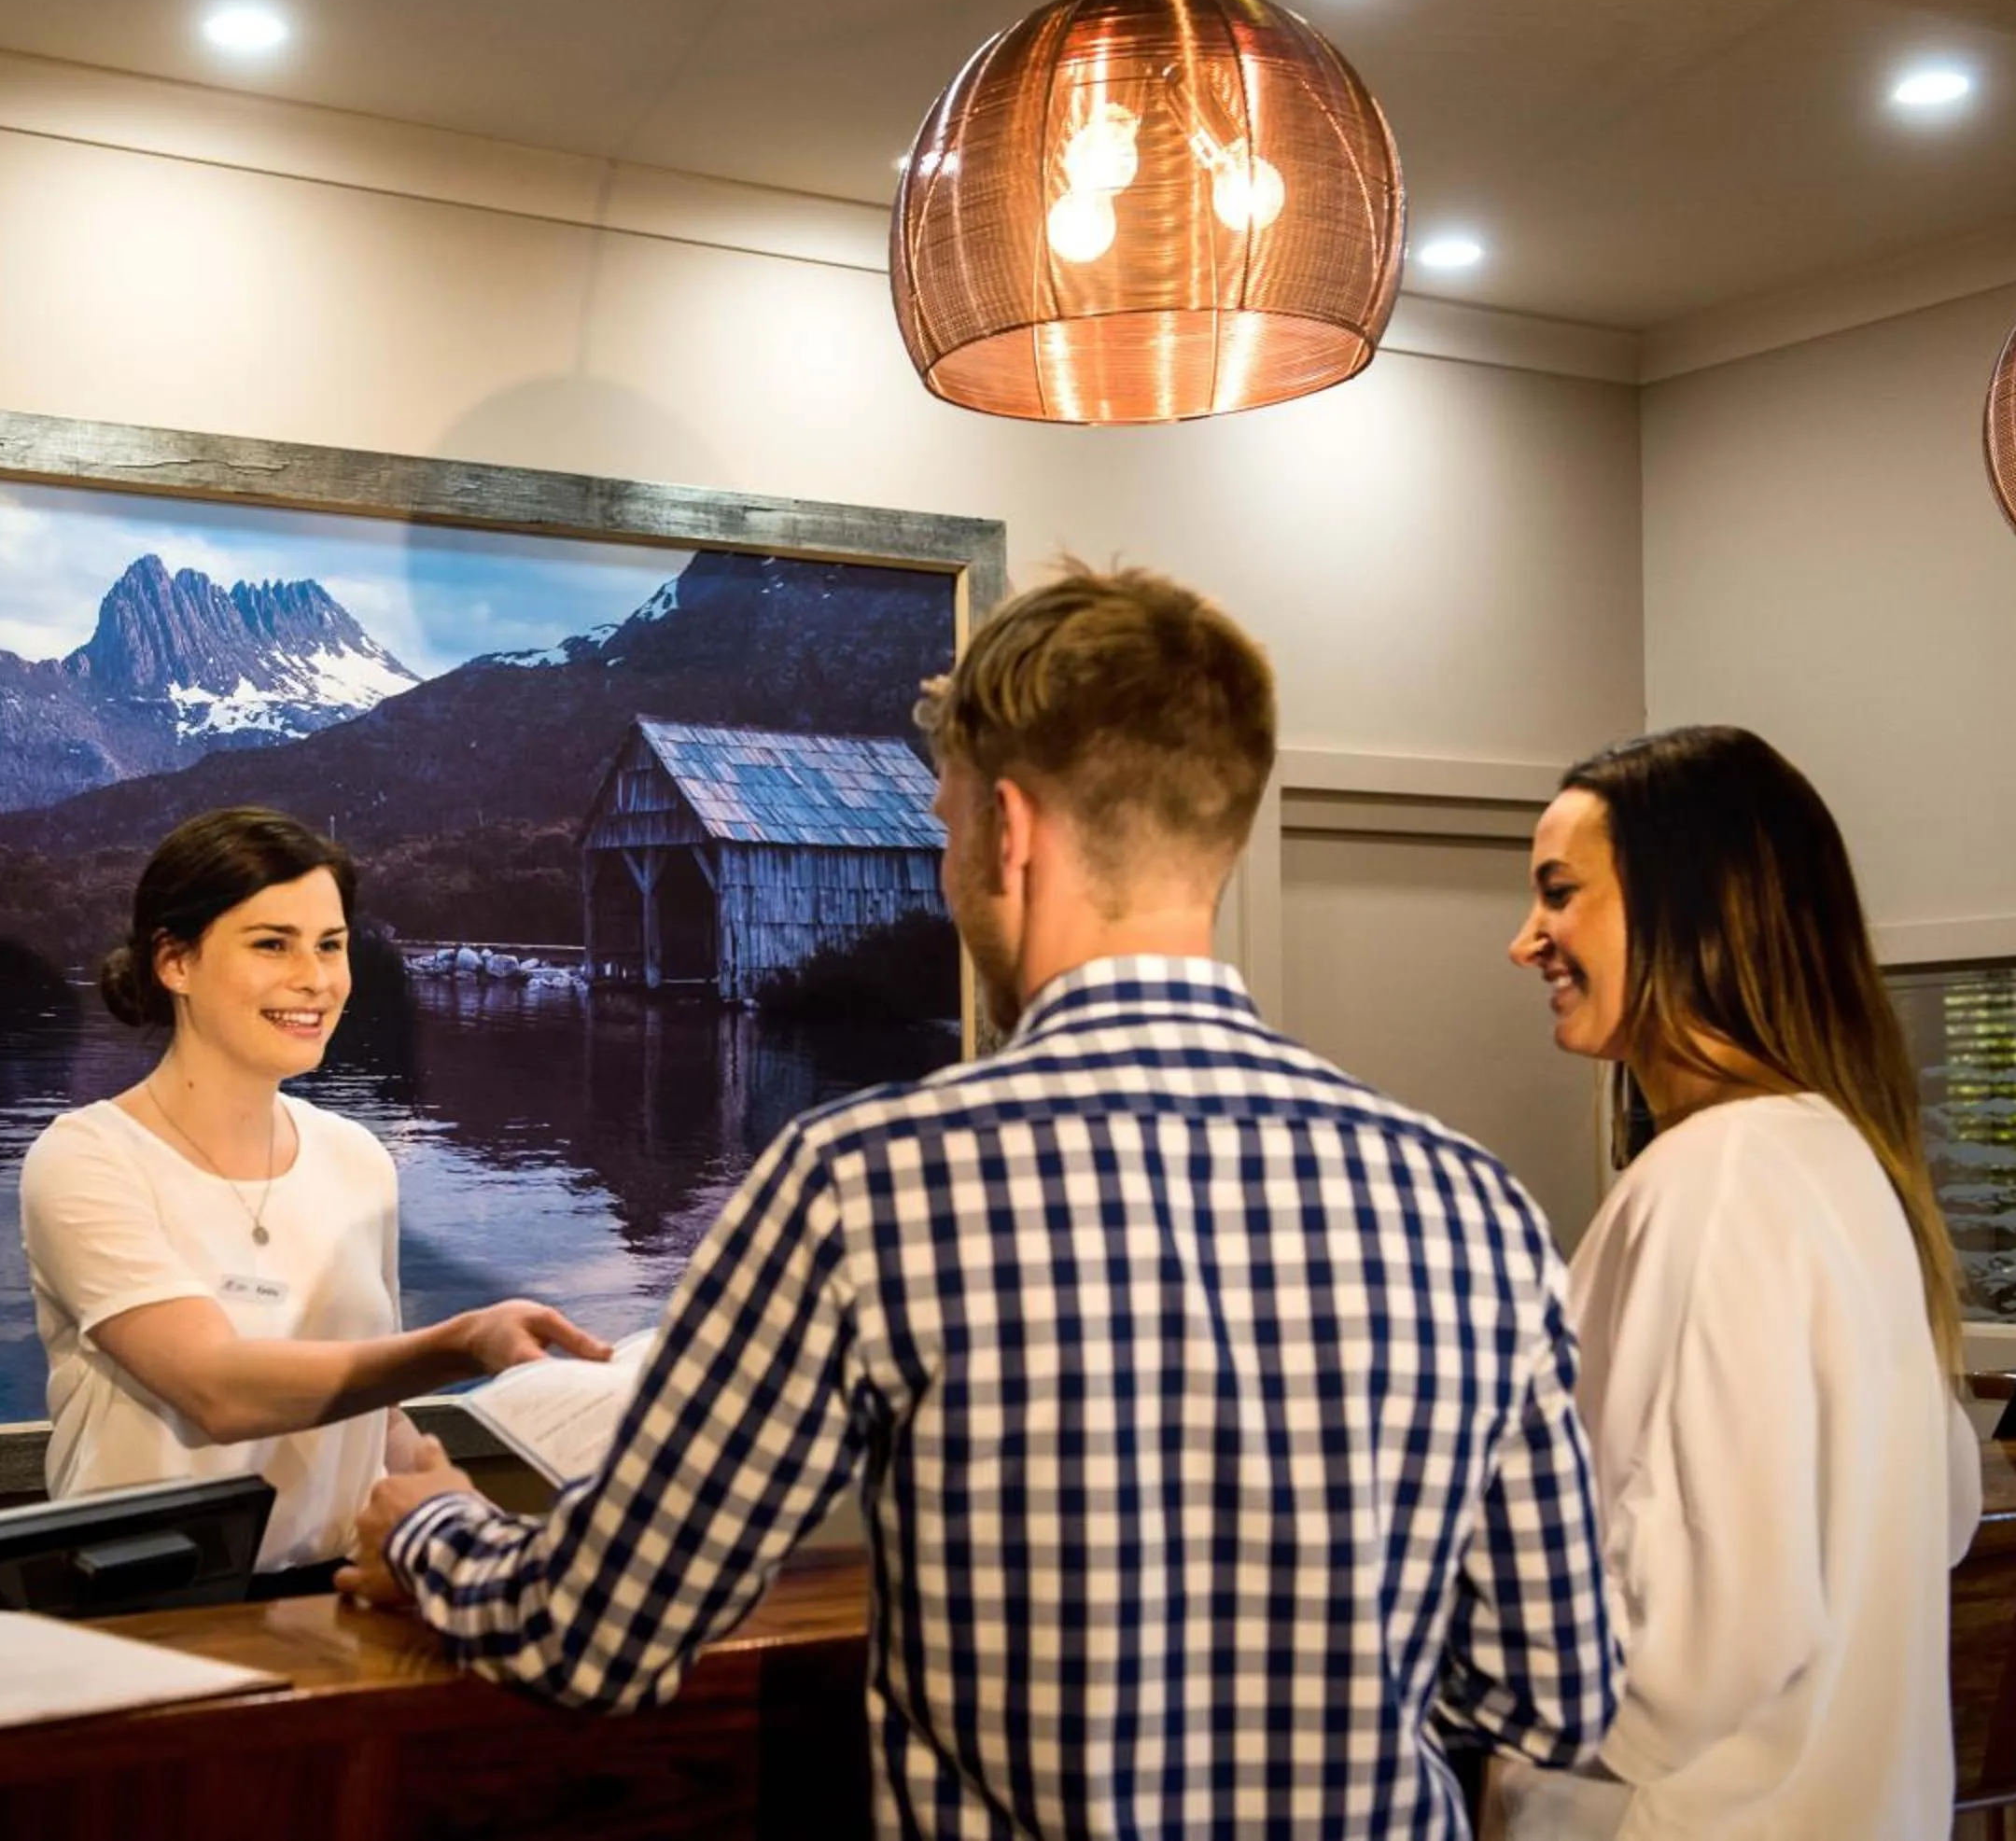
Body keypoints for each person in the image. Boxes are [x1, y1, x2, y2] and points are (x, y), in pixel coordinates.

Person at [337, 566, 1620, 1836]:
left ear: (1008, 831)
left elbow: (600, 1636)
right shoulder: (1471, 1204)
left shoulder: (870, 1185)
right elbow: (1549, 1689)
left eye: (946, 826)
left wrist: (429, 1527)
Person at [1492, 726, 1981, 1839]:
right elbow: (1943, 1510)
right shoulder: (1842, 1160)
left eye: (1560, 894)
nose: (1527, 942)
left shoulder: (1717, 1180)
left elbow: (1688, 1657)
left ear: (1691, 905)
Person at [20, 805, 606, 1594]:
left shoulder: (358, 1158)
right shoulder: (87, 1157)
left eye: (331, 945)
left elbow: (373, 1412)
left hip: (341, 1599)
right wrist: (461, 1343)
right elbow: (217, 1388)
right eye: (272, 944)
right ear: (175, 962)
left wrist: (480, 1526)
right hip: (145, 1612)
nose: (316, 979)